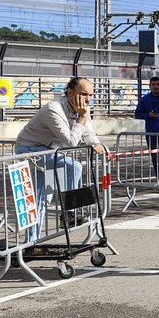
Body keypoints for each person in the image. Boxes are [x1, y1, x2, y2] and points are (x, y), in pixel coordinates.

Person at [15, 76, 108, 236]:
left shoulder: (82, 110)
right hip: (29, 150)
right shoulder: (54, 109)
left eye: (91, 95)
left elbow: (88, 131)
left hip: (48, 151)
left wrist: (96, 143)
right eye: (84, 94)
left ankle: (31, 241)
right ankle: (69, 213)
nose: (88, 99)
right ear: (70, 92)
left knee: (41, 197)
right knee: (74, 167)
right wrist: (82, 117)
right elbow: (70, 141)